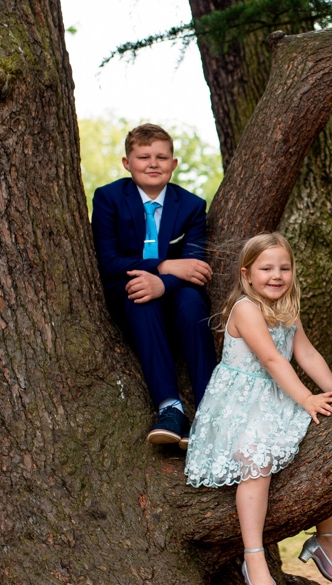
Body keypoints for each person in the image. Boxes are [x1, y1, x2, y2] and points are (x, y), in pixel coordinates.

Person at [184, 233, 332, 585]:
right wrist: (306, 397)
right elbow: (274, 360)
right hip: (240, 407)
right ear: (247, 275)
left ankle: (325, 539)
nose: (277, 275)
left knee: (327, 446)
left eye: (284, 268)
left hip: (277, 400)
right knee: (255, 464)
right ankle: (253, 556)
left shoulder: (288, 309)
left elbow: (305, 355)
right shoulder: (246, 308)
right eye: (267, 268)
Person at [92, 124, 216, 447]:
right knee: (139, 295)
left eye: (162, 157)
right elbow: (108, 262)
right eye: (143, 156)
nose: (153, 163)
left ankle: (209, 409)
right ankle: (170, 408)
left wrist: (162, 282)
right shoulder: (108, 199)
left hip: (177, 295)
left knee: (192, 302)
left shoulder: (191, 207)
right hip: (131, 295)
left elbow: (196, 270)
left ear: (173, 164)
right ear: (126, 162)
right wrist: (162, 265)